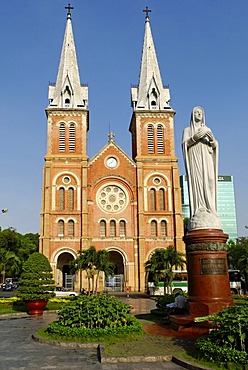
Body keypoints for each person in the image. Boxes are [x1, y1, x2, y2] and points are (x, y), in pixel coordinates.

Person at [182, 106, 221, 230]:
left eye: (200, 113)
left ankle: (210, 208)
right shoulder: (187, 130)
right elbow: (184, 144)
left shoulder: (207, 128)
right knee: (198, 183)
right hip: (195, 160)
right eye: (196, 112)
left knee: (210, 181)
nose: (198, 114)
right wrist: (196, 137)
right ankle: (200, 208)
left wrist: (212, 139)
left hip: (207, 158)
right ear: (192, 115)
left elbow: (214, 145)